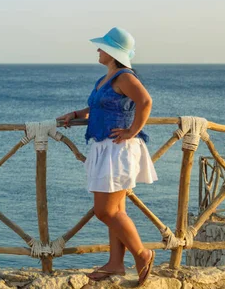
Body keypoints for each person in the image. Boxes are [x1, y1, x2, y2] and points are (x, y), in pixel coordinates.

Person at [57, 27, 158, 287]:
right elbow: (97, 107)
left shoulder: (124, 77)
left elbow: (145, 101)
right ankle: (116, 263)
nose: (98, 51)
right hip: (106, 147)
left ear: (113, 53)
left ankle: (142, 254)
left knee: (105, 211)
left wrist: (132, 130)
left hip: (118, 149)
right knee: (117, 209)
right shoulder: (106, 78)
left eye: (102, 48)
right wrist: (76, 115)